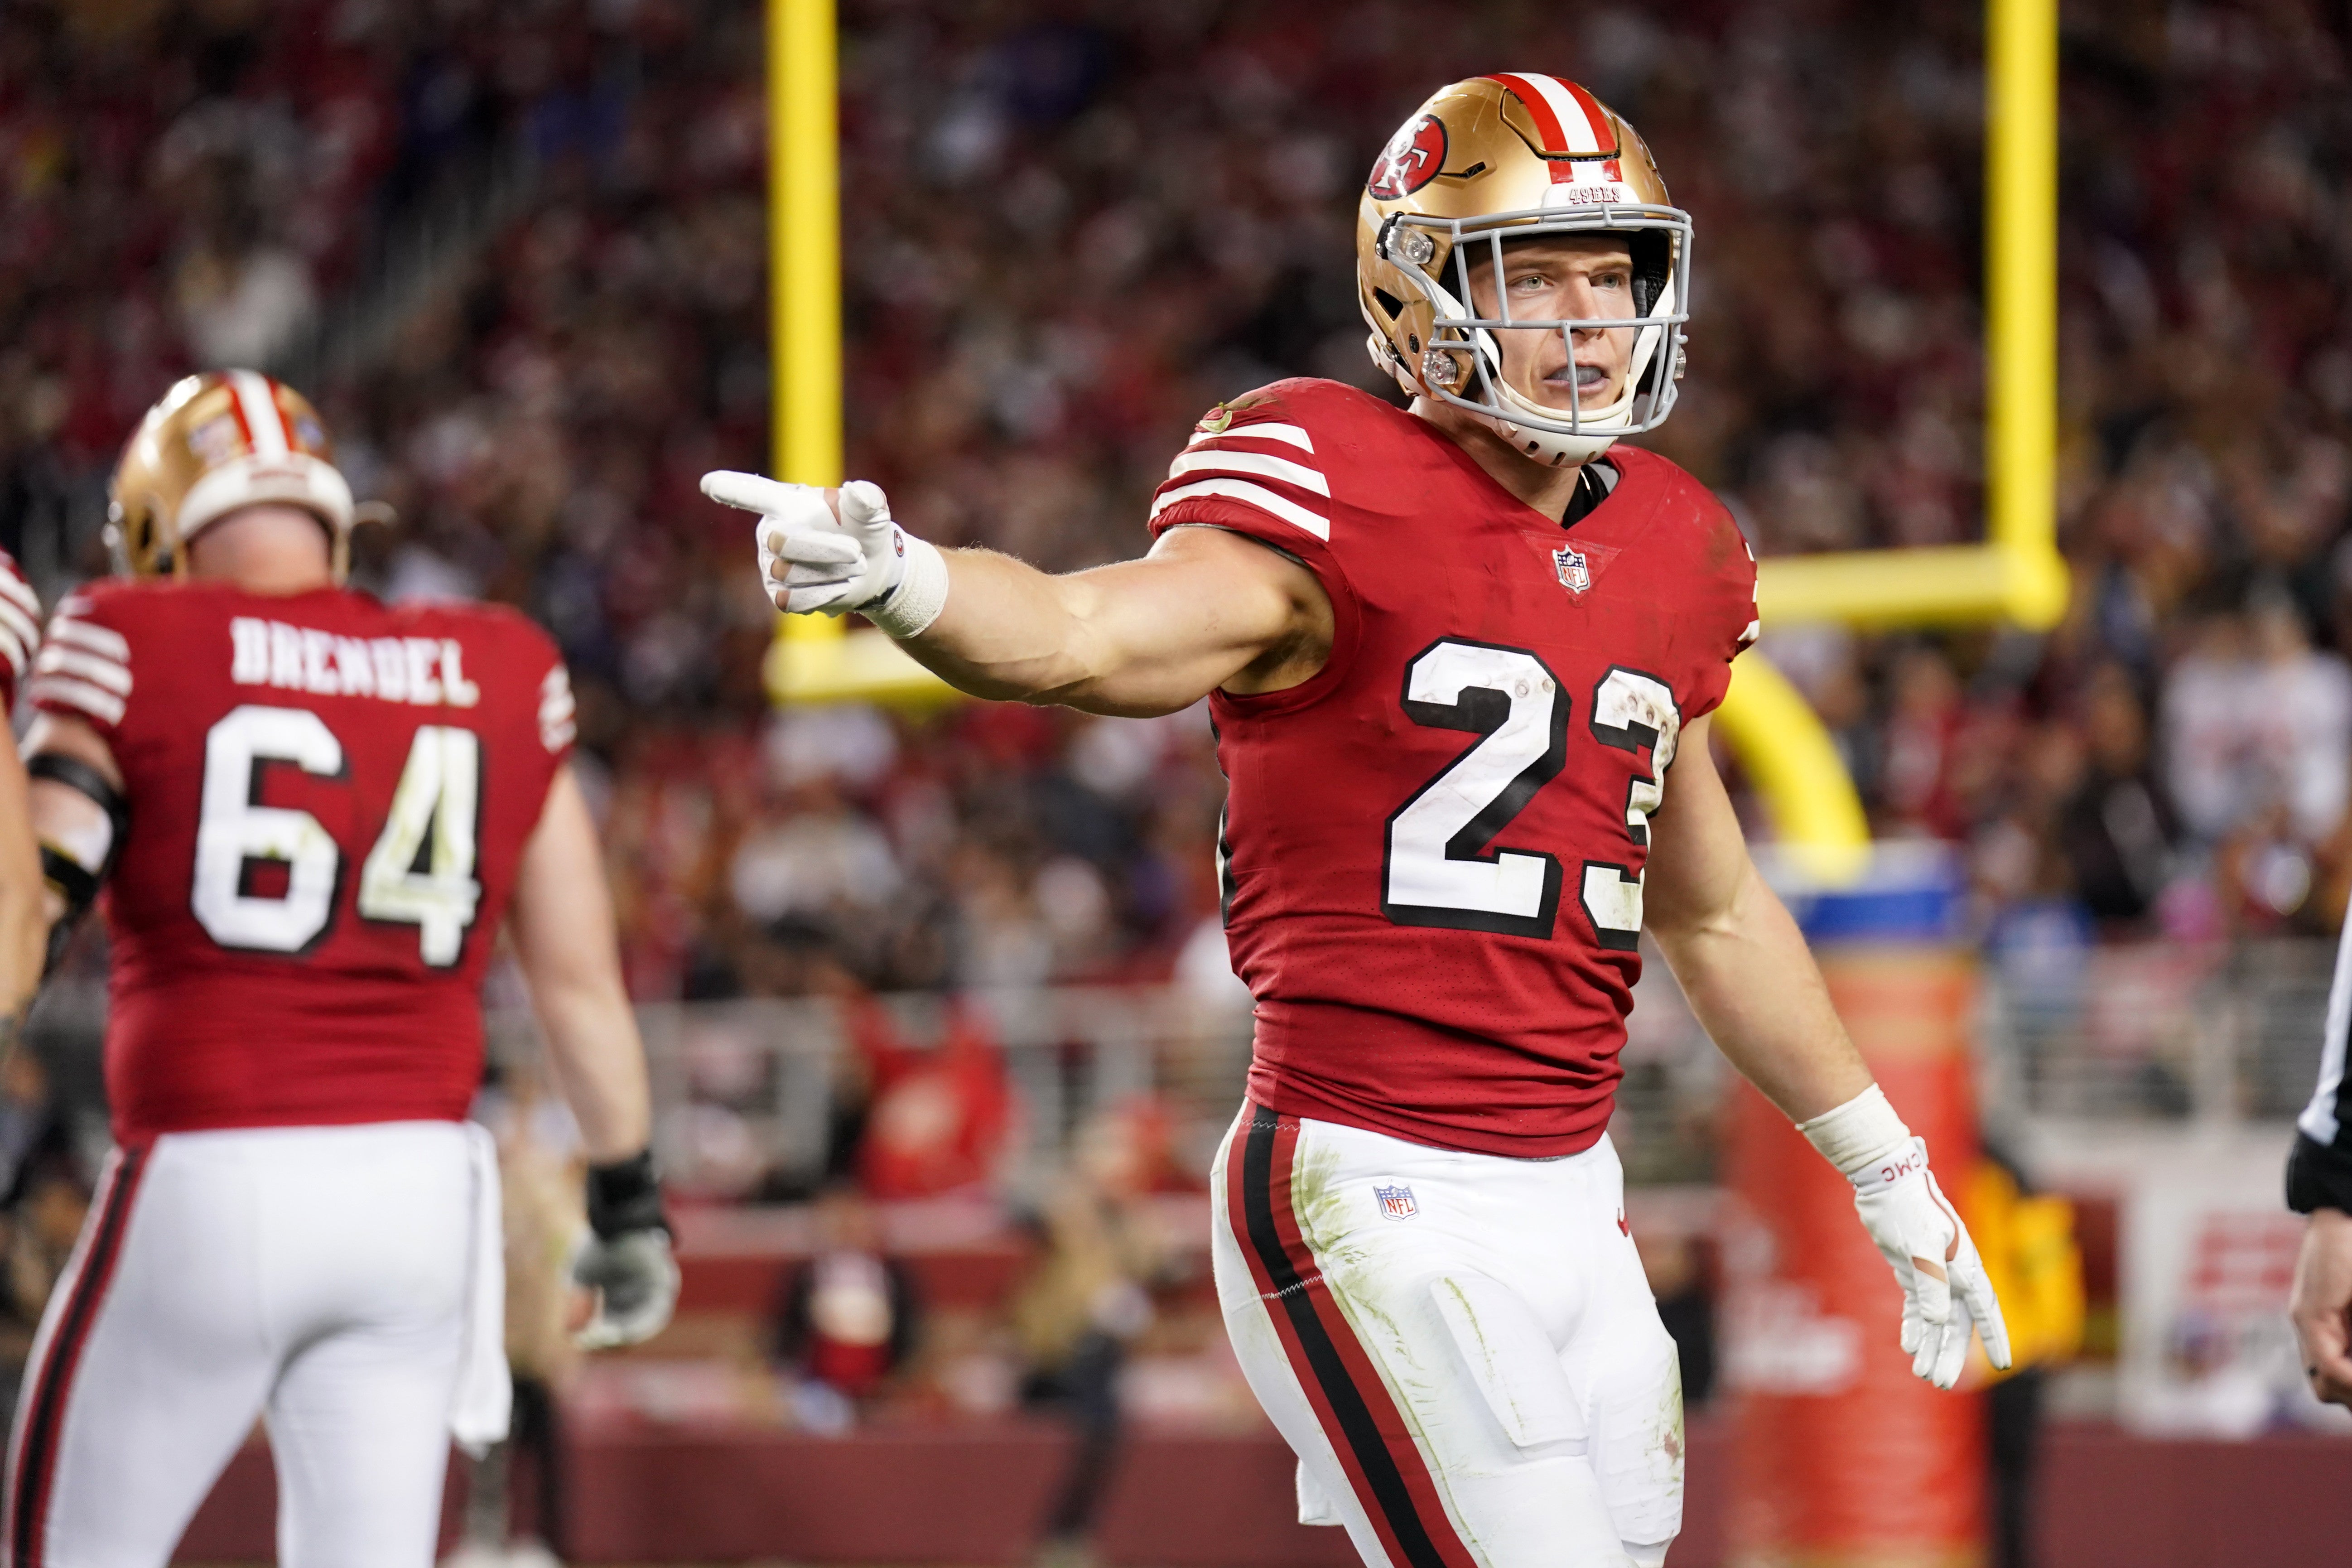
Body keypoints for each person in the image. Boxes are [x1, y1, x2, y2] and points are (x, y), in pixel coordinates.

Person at [711, 75, 2008, 1568]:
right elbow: (1084, 636)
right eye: (1535, 274)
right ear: (1419, 291)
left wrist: (1888, 1169)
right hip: (1369, 1179)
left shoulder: (1680, 543)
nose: (1588, 317)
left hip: (1578, 1202)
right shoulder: (1329, 476)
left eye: (1614, 272)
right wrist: (909, 583)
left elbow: (1709, 906)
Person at [2, 371, 679, 1566]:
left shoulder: (123, 633)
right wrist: (627, 1199)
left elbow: (12, 953)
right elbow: (579, 982)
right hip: (420, 1204)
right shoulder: (501, 665)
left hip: (211, 1174)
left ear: (164, 525)